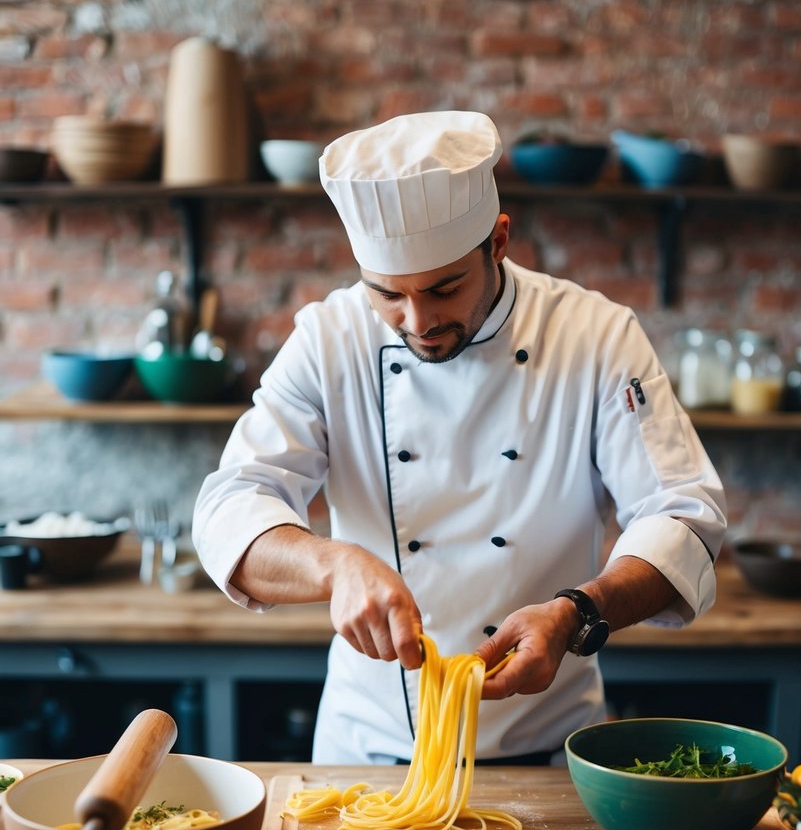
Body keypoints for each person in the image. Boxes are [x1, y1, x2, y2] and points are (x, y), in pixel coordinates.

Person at [193, 110, 727, 765]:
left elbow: (681, 514)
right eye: (387, 294)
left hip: (548, 750)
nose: (417, 321)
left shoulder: (594, 335)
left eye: (444, 288)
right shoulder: (328, 339)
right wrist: (334, 566)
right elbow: (230, 508)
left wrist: (576, 613)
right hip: (364, 752)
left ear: (497, 242)